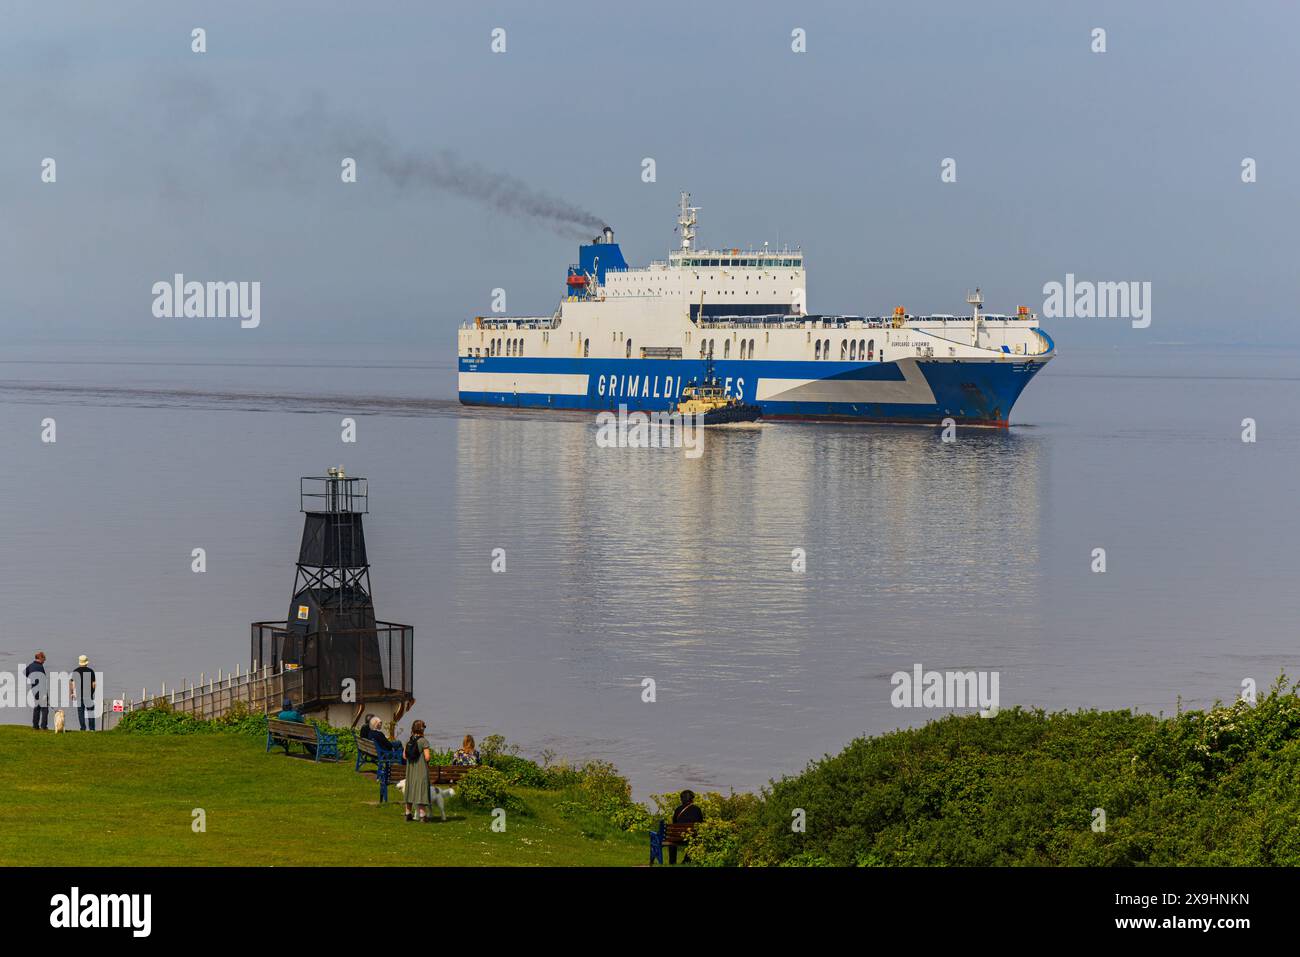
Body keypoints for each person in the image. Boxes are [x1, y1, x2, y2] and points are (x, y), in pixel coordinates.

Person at [403, 720, 434, 823]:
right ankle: (422, 815)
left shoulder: (409, 741)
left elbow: (404, 756)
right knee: (421, 790)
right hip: (420, 770)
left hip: (410, 770)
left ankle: (407, 814)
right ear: (422, 729)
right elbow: (427, 757)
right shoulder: (423, 741)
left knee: (410, 789)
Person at [669, 789, 704, 865]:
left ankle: (672, 862)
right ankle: (686, 861)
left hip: (677, 837)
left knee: (672, 842)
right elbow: (701, 823)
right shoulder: (697, 809)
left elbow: (674, 823)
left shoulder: (678, 809)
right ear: (692, 799)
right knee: (695, 842)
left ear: (682, 799)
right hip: (691, 837)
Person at [70, 655, 97, 732]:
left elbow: (73, 684)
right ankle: (92, 729)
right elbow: (94, 684)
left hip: (79, 695)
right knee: (91, 712)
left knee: (80, 712)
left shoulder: (75, 671)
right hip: (89, 695)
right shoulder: (91, 671)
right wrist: (92, 692)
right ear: (86, 662)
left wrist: (72, 693)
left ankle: (83, 728)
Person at [25, 651, 48, 731]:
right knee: (44, 709)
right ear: (40, 658)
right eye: (44, 658)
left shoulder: (31, 665)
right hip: (41, 690)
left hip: (34, 689)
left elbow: (25, 672)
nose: (44, 660)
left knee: (37, 707)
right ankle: (44, 727)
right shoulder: (40, 667)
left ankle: (35, 726)